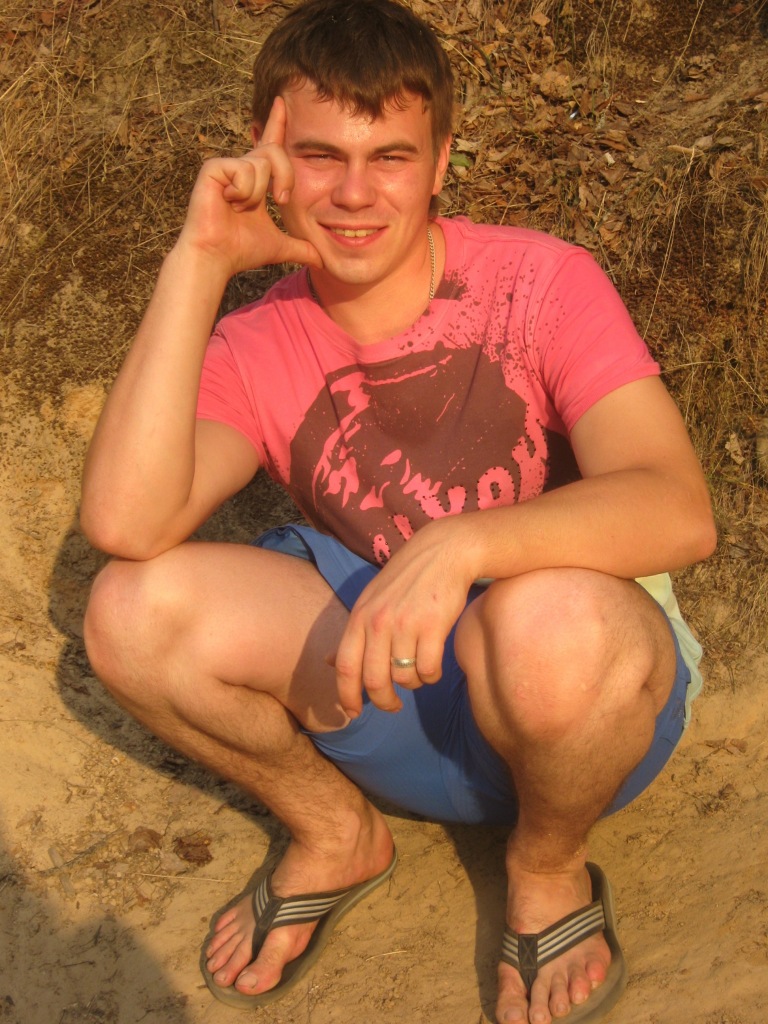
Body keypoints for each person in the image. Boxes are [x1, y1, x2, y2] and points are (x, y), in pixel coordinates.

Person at [79, 1, 716, 1021]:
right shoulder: (257, 341)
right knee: (128, 612)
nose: (354, 193)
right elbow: (126, 524)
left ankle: (549, 865)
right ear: (269, 159)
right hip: (389, 691)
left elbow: (678, 508)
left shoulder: (539, 282)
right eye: (319, 156)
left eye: (390, 157)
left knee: (550, 620)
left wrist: (465, 543)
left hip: (582, 708)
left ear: (441, 161)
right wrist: (198, 260)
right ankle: (337, 832)